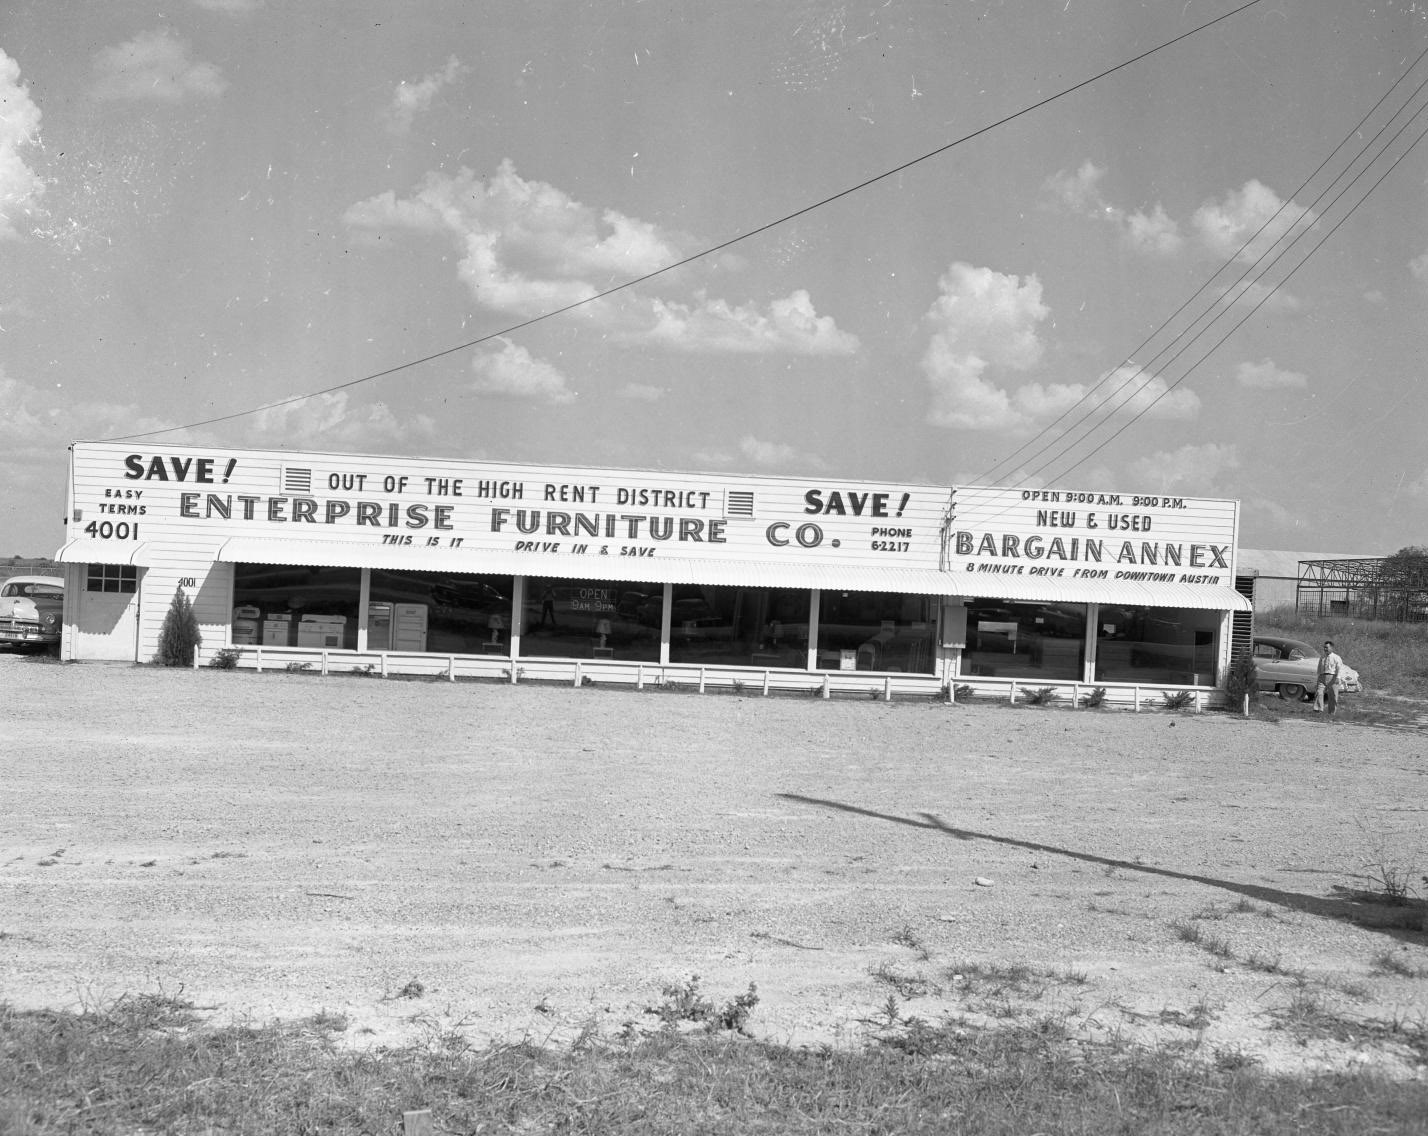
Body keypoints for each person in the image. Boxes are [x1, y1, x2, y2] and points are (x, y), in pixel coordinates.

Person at [1314, 639, 1342, 714]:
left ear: (1331, 648)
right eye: (1324, 647)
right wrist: (1318, 676)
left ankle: (1331, 713)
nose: (1325, 649)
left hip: (1332, 678)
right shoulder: (1322, 657)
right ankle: (1318, 710)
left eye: (1327, 647)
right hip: (1322, 677)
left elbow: (1339, 668)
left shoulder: (1336, 657)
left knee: (1333, 696)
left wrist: (1338, 678)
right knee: (1319, 693)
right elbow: (1319, 667)